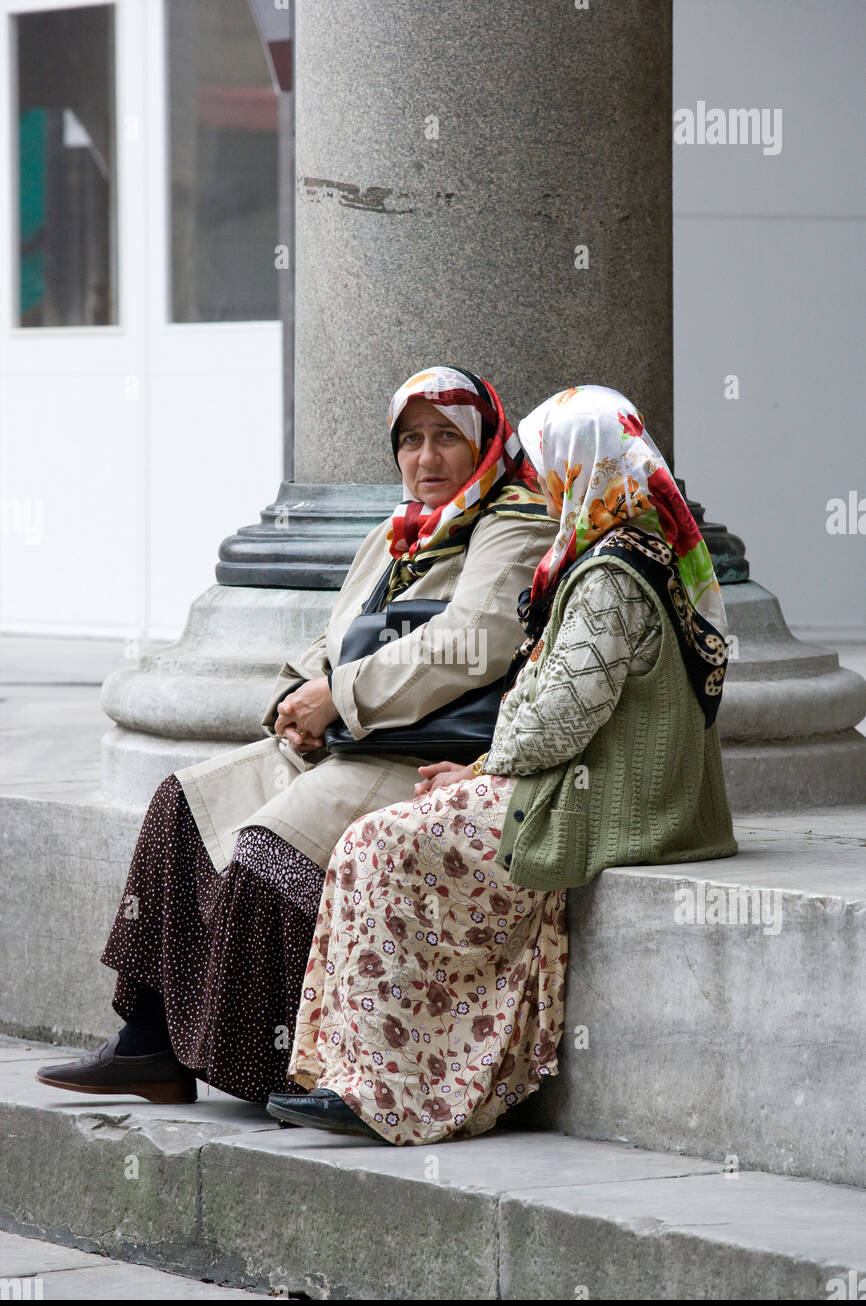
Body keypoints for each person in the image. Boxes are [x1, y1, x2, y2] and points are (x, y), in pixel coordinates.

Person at [36, 366, 553, 1105]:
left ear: (486, 443)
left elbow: (472, 642)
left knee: (267, 848)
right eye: (410, 441)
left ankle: (280, 1066)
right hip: (347, 739)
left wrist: (336, 700)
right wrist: (292, 698)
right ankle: (149, 1045)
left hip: (419, 754)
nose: (426, 459)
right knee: (182, 803)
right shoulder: (396, 531)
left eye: (447, 438)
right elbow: (333, 637)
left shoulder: (513, 524)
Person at [269, 384, 737, 1143]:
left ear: (583, 468)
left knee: (378, 843)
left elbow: (556, 718)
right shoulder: (618, 549)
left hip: (617, 796)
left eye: (550, 467)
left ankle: (390, 1092)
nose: (540, 483)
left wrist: (485, 771)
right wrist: (492, 765)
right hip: (582, 776)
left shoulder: (612, 573)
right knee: (380, 839)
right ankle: (350, 1073)